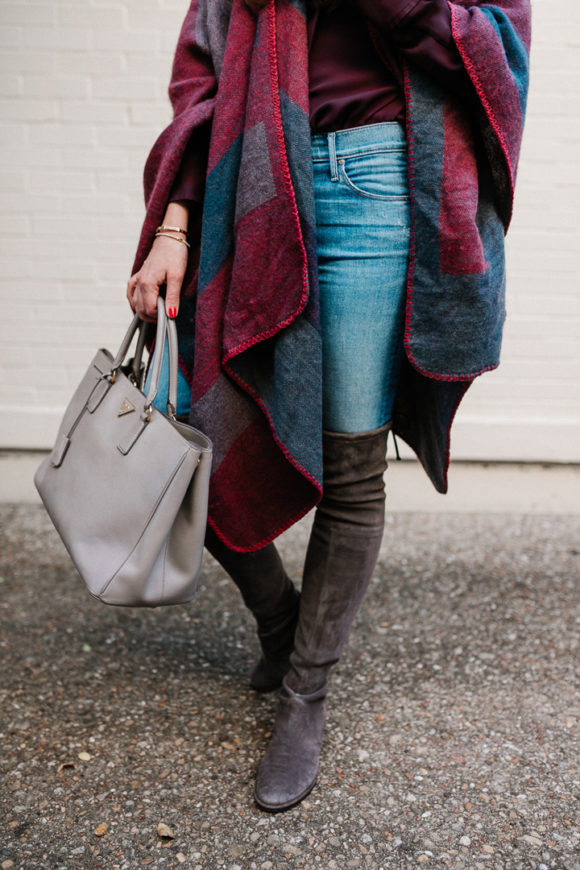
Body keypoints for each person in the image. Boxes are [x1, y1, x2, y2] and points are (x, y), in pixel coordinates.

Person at [127, 0, 530, 812]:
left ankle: (304, 695)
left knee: (351, 463)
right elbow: (201, 85)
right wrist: (173, 227)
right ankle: (280, 621)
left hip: (380, 190)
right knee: (186, 440)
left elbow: (495, 55)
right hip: (255, 188)